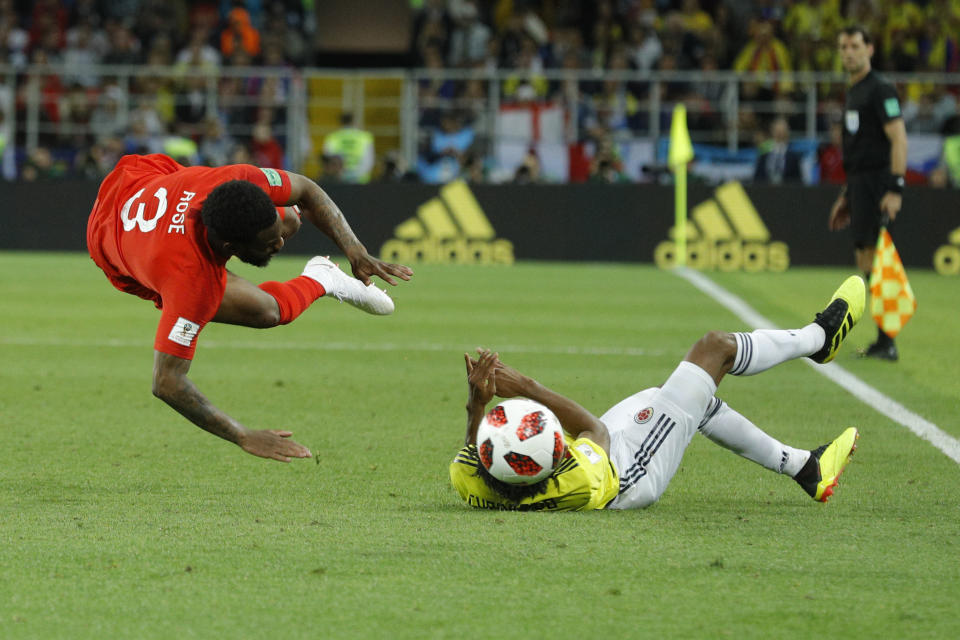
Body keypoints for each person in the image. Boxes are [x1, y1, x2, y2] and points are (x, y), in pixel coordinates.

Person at [86, 154, 413, 462]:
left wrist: (354, 249)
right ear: (230, 248)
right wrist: (241, 434)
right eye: (268, 243)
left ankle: (321, 267)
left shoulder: (240, 179)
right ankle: (322, 278)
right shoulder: (192, 284)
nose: (281, 244)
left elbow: (307, 190)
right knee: (267, 313)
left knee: (289, 219)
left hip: (141, 177)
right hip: (110, 236)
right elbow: (167, 381)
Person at [450, 276, 865, 511]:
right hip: (630, 474)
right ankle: (820, 338)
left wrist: (478, 405)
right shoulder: (578, 477)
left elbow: (472, 451)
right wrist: (525, 387)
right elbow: (594, 431)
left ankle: (804, 468)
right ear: (558, 452)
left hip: (604, 458)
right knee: (713, 349)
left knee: (678, 397)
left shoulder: (471, 476)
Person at [828, 25, 908, 362]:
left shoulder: (880, 90)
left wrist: (895, 187)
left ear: (870, 49)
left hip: (877, 183)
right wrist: (848, 194)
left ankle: (887, 340)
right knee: (865, 257)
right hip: (860, 184)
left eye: (855, 46)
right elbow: (859, 147)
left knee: (876, 258)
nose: (848, 52)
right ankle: (883, 337)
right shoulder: (854, 91)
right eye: (843, 46)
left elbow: (899, 139)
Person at [322, 113, 375, 184]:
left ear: (341, 122)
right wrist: (356, 175)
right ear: (354, 122)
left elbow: (328, 160)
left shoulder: (333, 137)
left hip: (338, 181)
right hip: (361, 182)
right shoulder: (364, 137)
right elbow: (369, 161)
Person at [754, 117, 803, 184]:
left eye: (782, 131)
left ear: (787, 132)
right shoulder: (763, 156)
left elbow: (798, 181)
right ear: (772, 132)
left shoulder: (793, 157)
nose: (780, 134)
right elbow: (757, 179)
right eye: (777, 131)